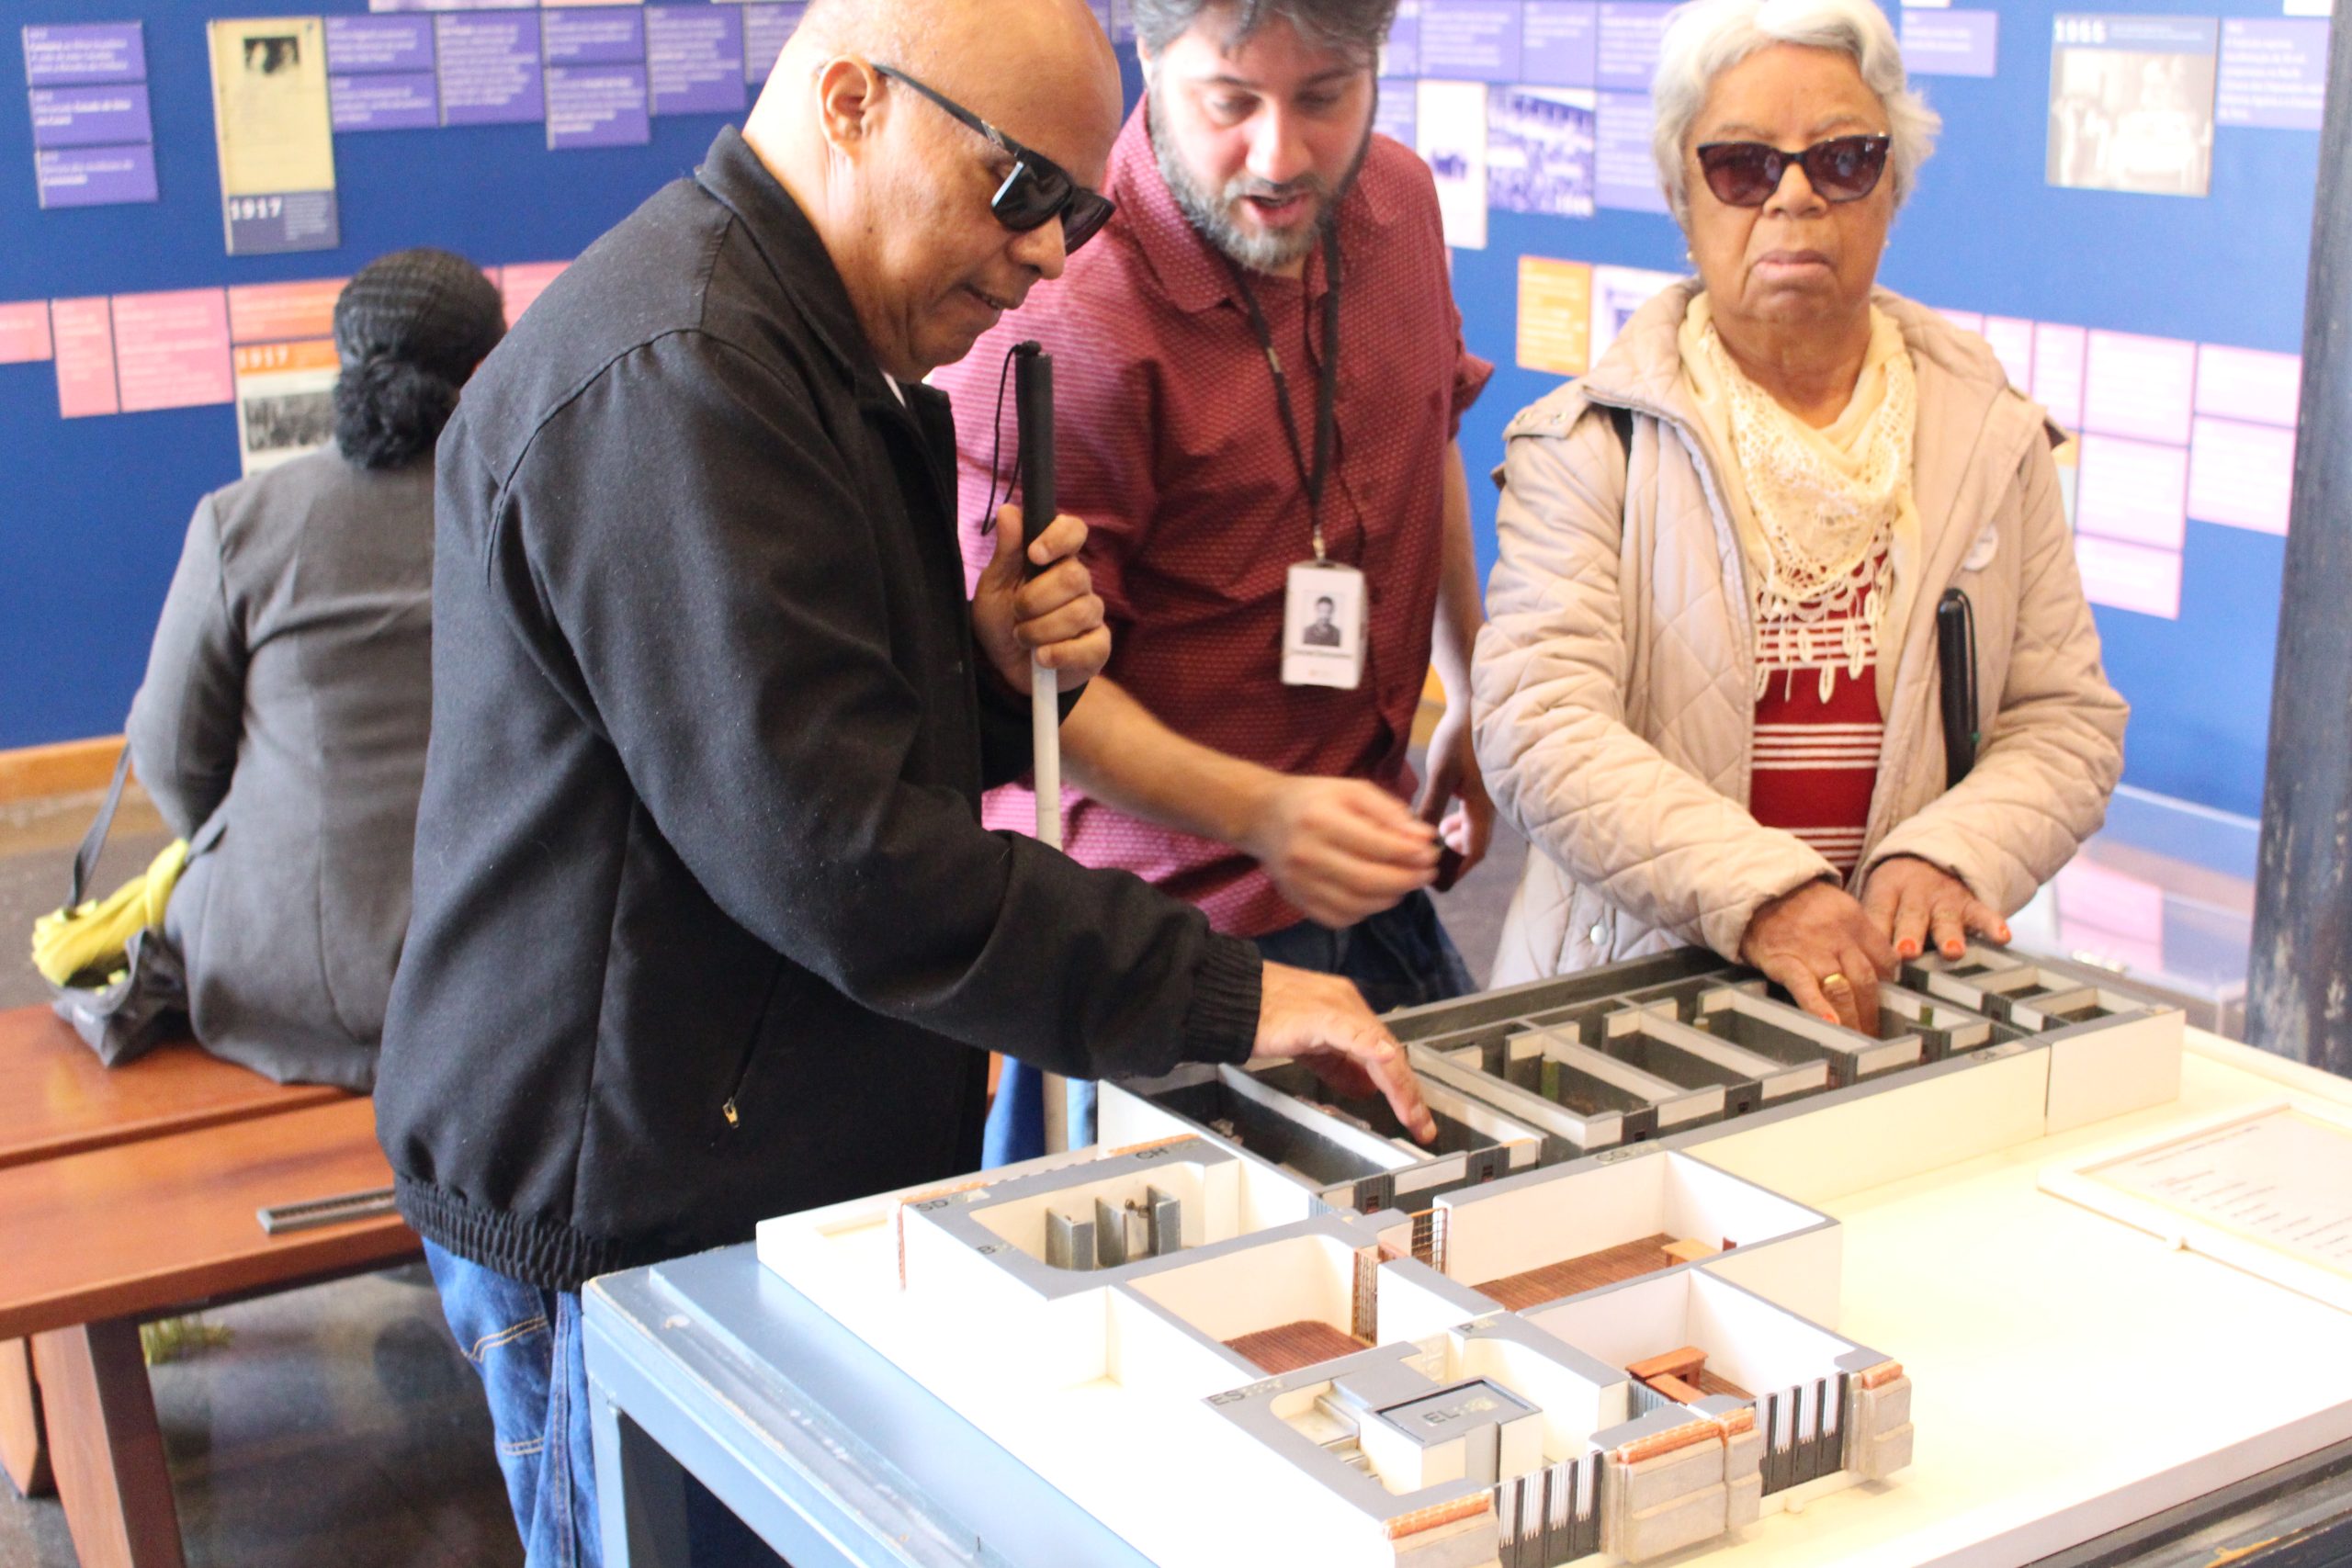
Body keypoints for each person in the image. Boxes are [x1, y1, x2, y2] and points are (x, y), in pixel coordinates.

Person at [370, 1, 1434, 1561]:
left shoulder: (810, 337)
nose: (1049, 258)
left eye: (1077, 209)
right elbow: (837, 856)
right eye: (1020, 193)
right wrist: (1228, 998)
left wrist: (988, 680)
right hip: (627, 1187)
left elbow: (809, 726)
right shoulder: (684, 372)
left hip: (745, 1131)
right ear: (854, 100)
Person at [1471, 0, 2127, 1035]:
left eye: (1842, 160)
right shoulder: (1590, 442)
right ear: (1681, 196)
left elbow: (2063, 721)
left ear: (1892, 184)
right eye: (1740, 165)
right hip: (1627, 1001)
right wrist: (1764, 893)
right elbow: (1537, 726)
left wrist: (1946, 855)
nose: (1792, 197)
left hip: (1899, 991)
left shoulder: (1991, 438)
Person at [934, 0, 1495, 1163]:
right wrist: (1262, 813)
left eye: (1327, 96)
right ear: (1148, 62)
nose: (1281, 157)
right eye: (1230, 103)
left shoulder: (1397, 197)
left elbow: (1426, 426)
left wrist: (1472, 692)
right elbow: (1032, 685)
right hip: (1158, 934)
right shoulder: (1062, 308)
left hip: (1359, 858)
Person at [122, 248, 503, 1090]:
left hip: (264, 976)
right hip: (487, 981)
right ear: (485, 368)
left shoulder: (241, 521)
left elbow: (171, 757)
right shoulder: (527, 514)